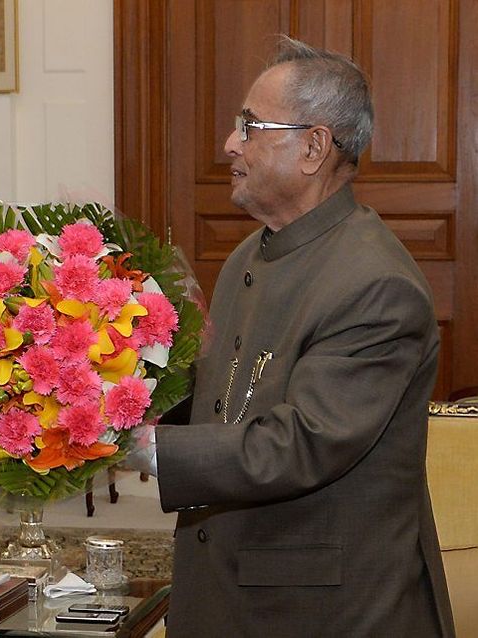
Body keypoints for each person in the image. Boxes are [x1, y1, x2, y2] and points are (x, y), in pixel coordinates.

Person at [144, 37, 456, 636]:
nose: (229, 145)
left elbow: (302, 443)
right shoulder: (246, 257)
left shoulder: (377, 284)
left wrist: (150, 452)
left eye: (249, 126)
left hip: (329, 612)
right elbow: (223, 395)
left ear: (314, 146)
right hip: (231, 590)